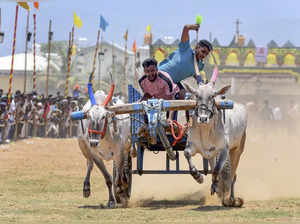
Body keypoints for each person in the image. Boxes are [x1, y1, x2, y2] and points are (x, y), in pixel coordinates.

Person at [158, 24, 213, 99]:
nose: (204, 55)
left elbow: (194, 73)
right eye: (203, 51)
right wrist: (194, 27)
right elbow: (186, 28)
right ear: (197, 47)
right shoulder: (185, 48)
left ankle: (176, 111)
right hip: (161, 74)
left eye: (206, 54)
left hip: (173, 82)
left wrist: (201, 83)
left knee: (182, 93)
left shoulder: (200, 66)